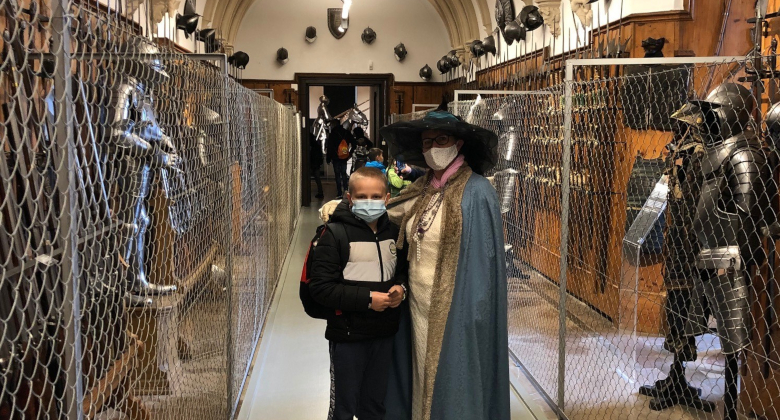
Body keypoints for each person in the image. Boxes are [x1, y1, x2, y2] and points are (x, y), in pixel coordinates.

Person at [321, 104, 509, 420]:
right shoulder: (422, 188)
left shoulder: (478, 192)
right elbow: (387, 211)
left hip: (456, 309)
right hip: (416, 305)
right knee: (420, 373)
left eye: (441, 140)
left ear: (458, 144)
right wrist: (342, 207)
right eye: (426, 142)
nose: (433, 148)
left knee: (453, 377)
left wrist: (472, 313)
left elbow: (483, 265)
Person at [309, 167, 409, 420]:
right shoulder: (334, 234)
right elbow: (321, 288)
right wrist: (368, 300)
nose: (369, 202)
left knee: (374, 405)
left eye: (376, 197)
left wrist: (401, 288)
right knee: (344, 407)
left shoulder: (394, 233)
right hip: (348, 336)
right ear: (349, 198)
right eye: (362, 196)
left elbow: (402, 271)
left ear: (387, 198)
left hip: (383, 333)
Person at [326, 119, 356, 198]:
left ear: (334, 124)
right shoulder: (346, 132)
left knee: (337, 174)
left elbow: (329, 147)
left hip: (335, 156)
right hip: (344, 156)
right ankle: (346, 190)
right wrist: (350, 153)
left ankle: (339, 192)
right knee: (343, 173)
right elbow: (354, 143)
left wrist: (328, 158)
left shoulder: (333, 134)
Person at [310, 134, 325, 199]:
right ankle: (320, 192)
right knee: (317, 178)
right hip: (317, 164)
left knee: (317, 178)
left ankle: (320, 192)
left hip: (314, 164)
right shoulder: (317, 146)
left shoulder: (312, 147)